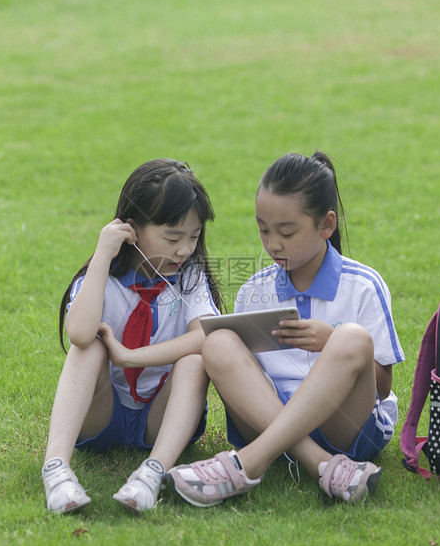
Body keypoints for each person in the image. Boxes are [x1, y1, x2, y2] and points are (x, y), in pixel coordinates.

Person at [166, 151, 404, 506]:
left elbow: (381, 389)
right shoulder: (253, 290)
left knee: (351, 337)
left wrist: (329, 341)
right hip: (268, 417)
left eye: (287, 232)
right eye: (263, 229)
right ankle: (320, 464)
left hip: (345, 427)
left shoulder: (363, 285)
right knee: (217, 342)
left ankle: (246, 464)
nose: (272, 243)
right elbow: (244, 376)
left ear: (326, 224)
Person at [42, 158, 222, 514]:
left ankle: (153, 474)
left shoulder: (189, 277)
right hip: (101, 416)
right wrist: (103, 257)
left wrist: (128, 356)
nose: (184, 250)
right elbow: (78, 334)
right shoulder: (104, 278)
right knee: (90, 348)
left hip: (162, 418)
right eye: (172, 237)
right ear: (132, 229)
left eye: (194, 236)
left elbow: (205, 337)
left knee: (196, 359)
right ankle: (56, 469)